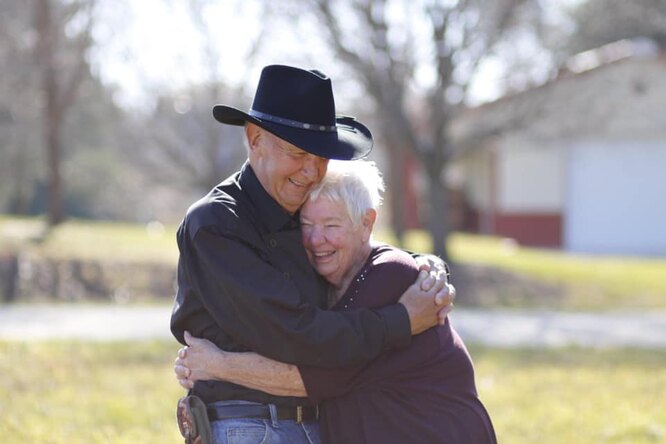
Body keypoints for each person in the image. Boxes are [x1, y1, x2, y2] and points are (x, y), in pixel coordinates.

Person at [170, 64, 455, 444]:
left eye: (321, 157)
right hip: (252, 427)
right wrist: (402, 320)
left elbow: (354, 255)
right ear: (254, 139)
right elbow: (297, 334)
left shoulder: (298, 212)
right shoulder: (218, 224)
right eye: (298, 152)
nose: (311, 171)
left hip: (312, 425)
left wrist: (420, 267)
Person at [175, 160, 496, 444]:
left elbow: (319, 377)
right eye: (306, 225)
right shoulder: (327, 281)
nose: (316, 240)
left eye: (331, 226)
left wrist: (216, 365)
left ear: (367, 223)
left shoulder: (391, 275)